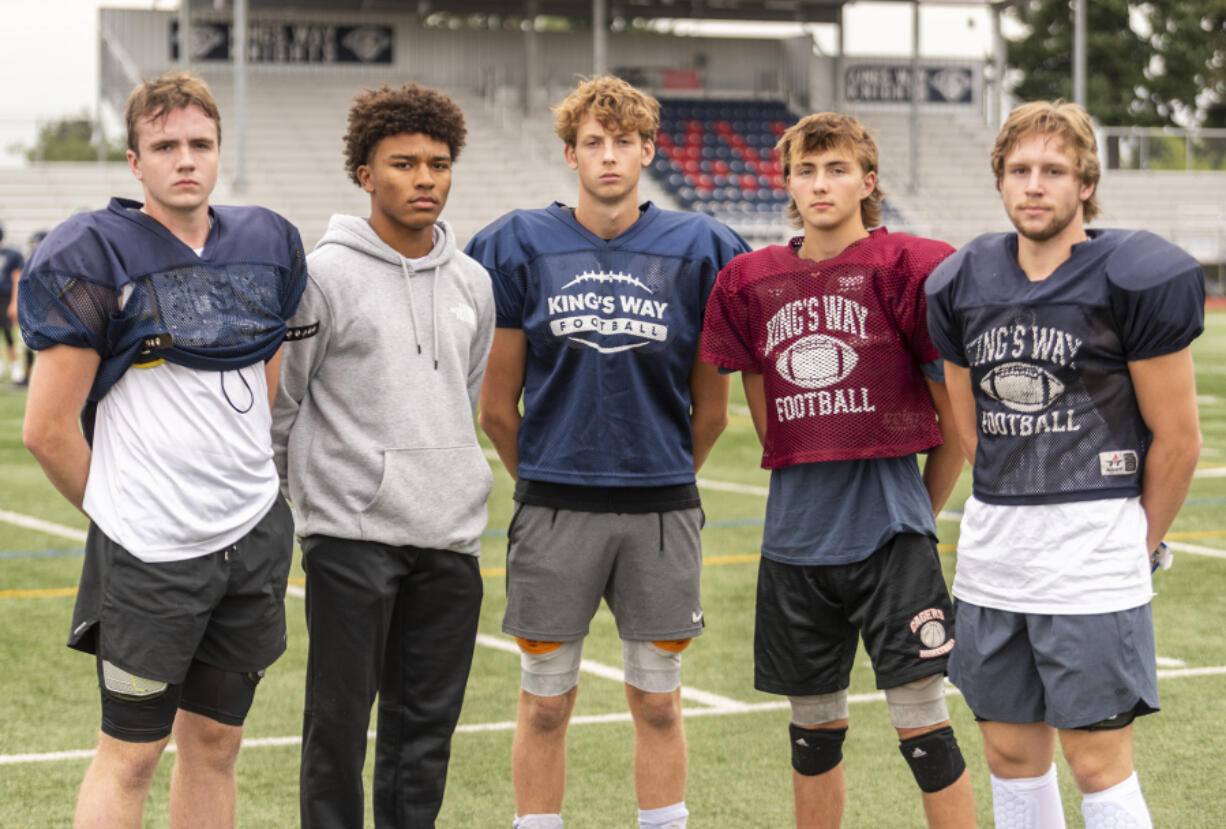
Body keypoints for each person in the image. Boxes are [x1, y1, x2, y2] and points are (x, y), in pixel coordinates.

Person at [18, 71, 306, 827]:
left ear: (220, 152)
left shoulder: (268, 241)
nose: (186, 159)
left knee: (215, 739)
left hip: (251, 534)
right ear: (134, 161)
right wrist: (125, 512)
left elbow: (264, 382)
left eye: (201, 144)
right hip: (151, 548)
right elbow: (47, 430)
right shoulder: (94, 251)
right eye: (166, 144)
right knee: (133, 752)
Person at [465, 75, 750, 829]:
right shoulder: (520, 243)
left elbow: (712, 412)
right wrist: (552, 479)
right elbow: (497, 410)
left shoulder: (699, 248)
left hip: (660, 507)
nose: (610, 155)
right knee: (546, 699)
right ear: (570, 153)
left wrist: (657, 475)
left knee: (658, 699)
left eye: (625, 140)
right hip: (555, 508)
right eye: (594, 141)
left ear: (649, 150)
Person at [925, 100, 1204, 828]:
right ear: (1000, 180)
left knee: (1096, 760)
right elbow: (969, 427)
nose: (1035, 185)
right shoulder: (962, 281)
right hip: (996, 552)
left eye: (1054, 170)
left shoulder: (1131, 274)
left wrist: (1131, 546)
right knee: (1010, 753)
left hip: (1093, 551)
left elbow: (1177, 441)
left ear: (1085, 183)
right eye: (1020, 170)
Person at [700, 112, 976, 828]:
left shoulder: (905, 267)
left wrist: (917, 511)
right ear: (787, 181)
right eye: (807, 170)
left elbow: (953, 424)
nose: (821, 184)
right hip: (796, 536)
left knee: (925, 728)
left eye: (838, 169)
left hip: (891, 536)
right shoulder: (749, 281)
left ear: (868, 179)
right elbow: (770, 419)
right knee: (812, 733)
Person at [272, 83, 494, 829]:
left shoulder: (473, 282)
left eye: (438, 163)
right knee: (337, 726)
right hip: (351, 536)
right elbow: (284, 404)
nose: (425, 179)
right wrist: (288, 512)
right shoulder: (321, 276)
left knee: (424, 734)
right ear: (365, 174)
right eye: (403, 164)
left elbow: (461, 397)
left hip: (449, 536)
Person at [0, 223, 24, 382]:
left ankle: (15, 365)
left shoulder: (12, 254)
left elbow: (17, 277)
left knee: (8, 332)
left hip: (5, 296)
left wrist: (14, 302)